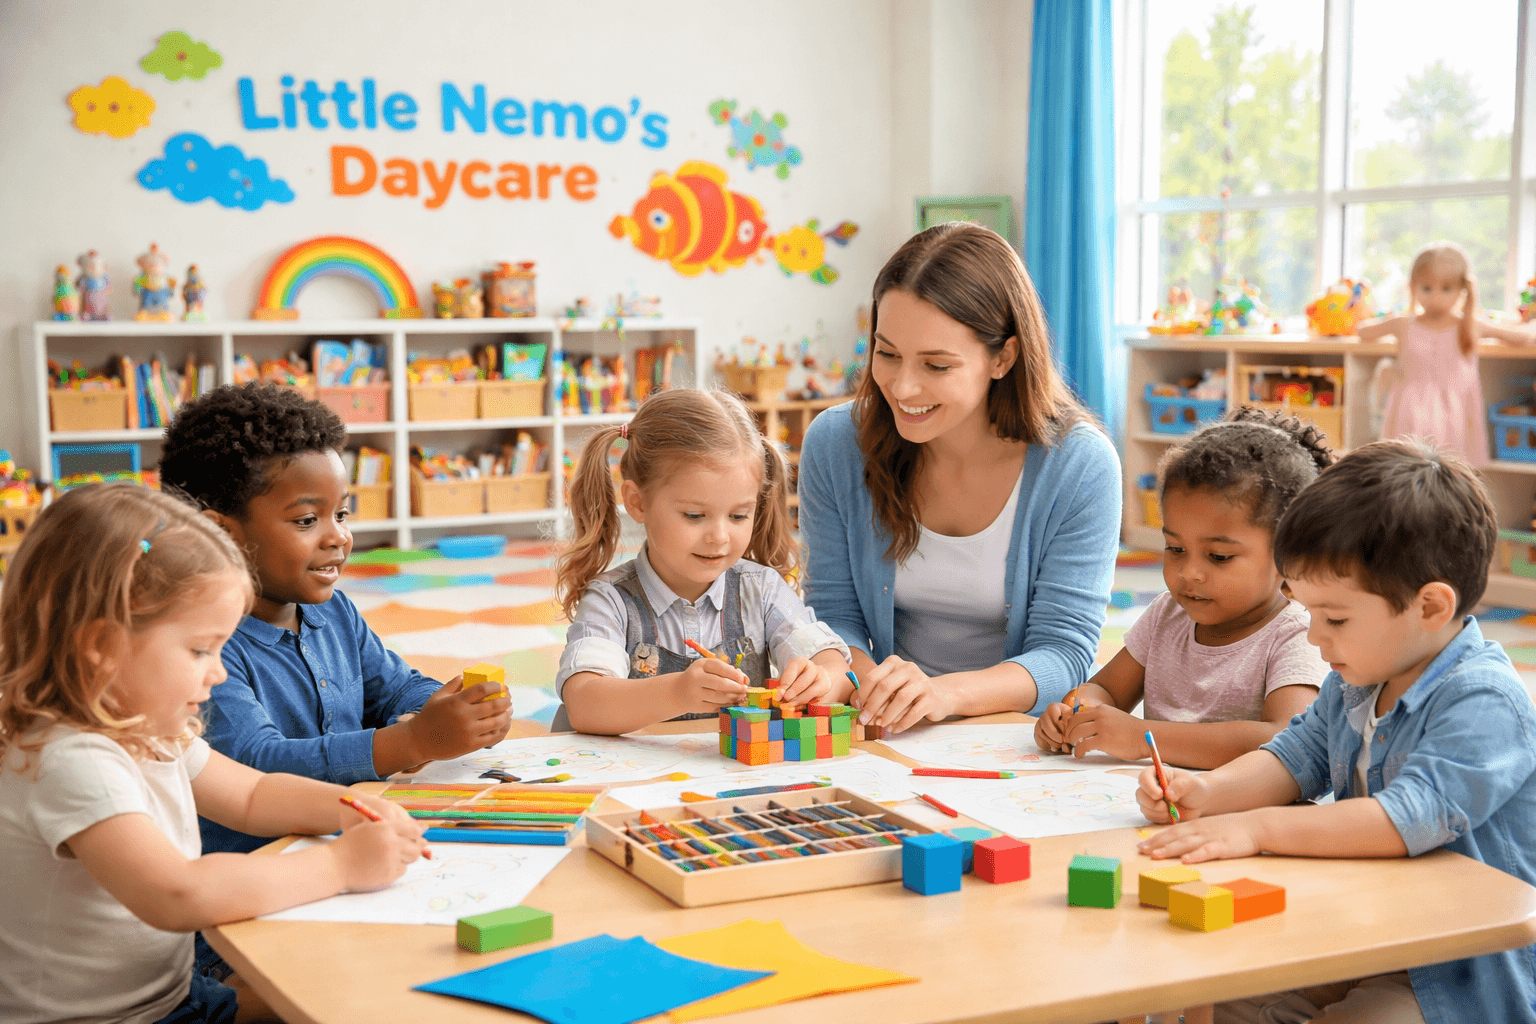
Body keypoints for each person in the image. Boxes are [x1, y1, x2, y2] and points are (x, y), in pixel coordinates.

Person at [1138, 440, 1536, 1024]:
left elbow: (1405, 818)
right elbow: (1294, 755)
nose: (1314, 636)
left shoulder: (1484, 701)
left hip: (1457, 977)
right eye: (1307, 611)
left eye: (1335, 618)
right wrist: (1208, 792)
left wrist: (1255, 827)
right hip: (1364, 934)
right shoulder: (1360, 677)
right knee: (1195, 991)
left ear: (1430, 607)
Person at [0, 484, 427, 1024]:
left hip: (174, 997)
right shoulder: (71, 757)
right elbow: (176, 895)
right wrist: (341, 864)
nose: (219, 672)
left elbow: (252, 794)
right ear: (101, 646)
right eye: (201, 649)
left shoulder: (147, 729)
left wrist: (353, 807)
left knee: (348, 995)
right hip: (115, 1019)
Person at [157, 383, 513, 856]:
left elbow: (396, 688)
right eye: (307, 520)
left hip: (350, 840)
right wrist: (412, 740)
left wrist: (453, 712)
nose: (339, 537)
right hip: (261, 868)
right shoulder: (204, 649)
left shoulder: (333, 611)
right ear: (219, 531)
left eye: (341, 514)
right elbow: (258, 764)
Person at [798, 222, 1121, 733]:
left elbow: (1064, 654)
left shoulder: (1079, 465)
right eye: (887, 353)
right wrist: (873, 689)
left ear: (1003, 358)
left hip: (1017, 735)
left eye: (936, 365)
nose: (902, 387)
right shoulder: (837, 444)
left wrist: (944, 694)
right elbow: (833, 615)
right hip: (890, 726)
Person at [1035, 408, 1328, 769]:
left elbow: (1286, 737)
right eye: (1175, 548)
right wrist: (1078, 712)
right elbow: (1106, 689)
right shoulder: (1168, 614)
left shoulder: (1296, 635)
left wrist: (1142, 738)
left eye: (1218, 557)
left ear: (1287, 554)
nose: (1189, 572)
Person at [553, 388, 852, 734]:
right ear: (637, 503)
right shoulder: (611, 600)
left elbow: (837, 670)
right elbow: (584, 704)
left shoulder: (763, 590)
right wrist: (678, 693)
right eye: (694, 515)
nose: (719, 537)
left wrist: (821, 679)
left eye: (738, 516)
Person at [1357, 240, 1531, 466]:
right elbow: (1364, 332)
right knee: (1405, 471)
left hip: (1455, 417)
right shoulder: (1403, 324)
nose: (1436, 297)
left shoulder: (1471, 325)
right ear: (1413, 286)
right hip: (1409, 413)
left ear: (1462, 289)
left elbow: (1520, 337)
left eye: (1446, 288)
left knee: (1450, 472)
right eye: (1426, 288)